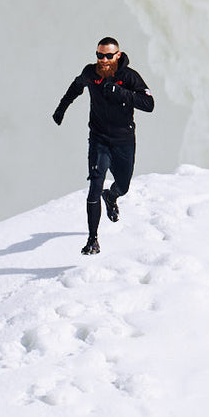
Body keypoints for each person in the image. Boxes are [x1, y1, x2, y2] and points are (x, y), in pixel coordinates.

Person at [52, 36, 154, 255]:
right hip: (99, 140)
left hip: (123, 142)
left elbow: (149, 104)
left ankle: (112, 196)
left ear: (117, 55)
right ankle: (93, 240)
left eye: (108, 55)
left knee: (123, 185)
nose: (103, 60)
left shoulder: (129, 76)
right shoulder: (91, 73)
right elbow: (76, 86)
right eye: (100, 55)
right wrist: (61, 108)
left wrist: (122, 93)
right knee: (94, 186)